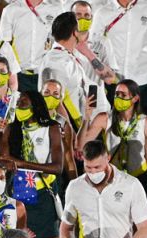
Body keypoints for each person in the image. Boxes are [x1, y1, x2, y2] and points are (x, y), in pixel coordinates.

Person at [0, 91, 65, 238]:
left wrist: (20, 163)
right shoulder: (12, 129)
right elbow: (4, 160)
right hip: (18, 196)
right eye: (18, 104)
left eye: (24, 104)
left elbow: (57, 167)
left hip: (43, 196)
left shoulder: (51, 128)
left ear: (35, 106)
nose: (19, 108)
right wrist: (14, 163)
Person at [38, 12, 110, 148]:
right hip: (78, 132)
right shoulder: (57, 62)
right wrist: (72, 136)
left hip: (85, 127)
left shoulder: (63, 57)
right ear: (74, 33)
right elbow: (56, 102)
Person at [91, 0, 147, 118]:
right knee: (113, 131)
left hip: (144, 84)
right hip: (113, 84)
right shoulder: (102, 12)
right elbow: (92, 47)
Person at [107, 80, 147, 222]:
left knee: (138, 227)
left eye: (123, 95)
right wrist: (87, 118)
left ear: (135, 98)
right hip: (113, 180)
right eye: (116, 94)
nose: (118, 98)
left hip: (138, 178)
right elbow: (80, 144)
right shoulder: (106, 119)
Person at [0, 0, 67, 94]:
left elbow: (63, 43)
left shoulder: (57, 8)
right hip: (19, 76)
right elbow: (3, 47)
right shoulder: (11, 10)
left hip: (48, 76)